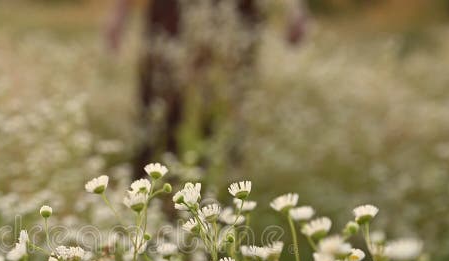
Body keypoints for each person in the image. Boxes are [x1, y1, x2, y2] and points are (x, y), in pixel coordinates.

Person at [105, 0, 308, 178]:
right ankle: (150, 200)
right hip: (172, 10)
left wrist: (295, 7)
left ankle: (216, 202)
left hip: (235, 11)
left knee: (224, 114)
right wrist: (119, 11)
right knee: (160, 106)